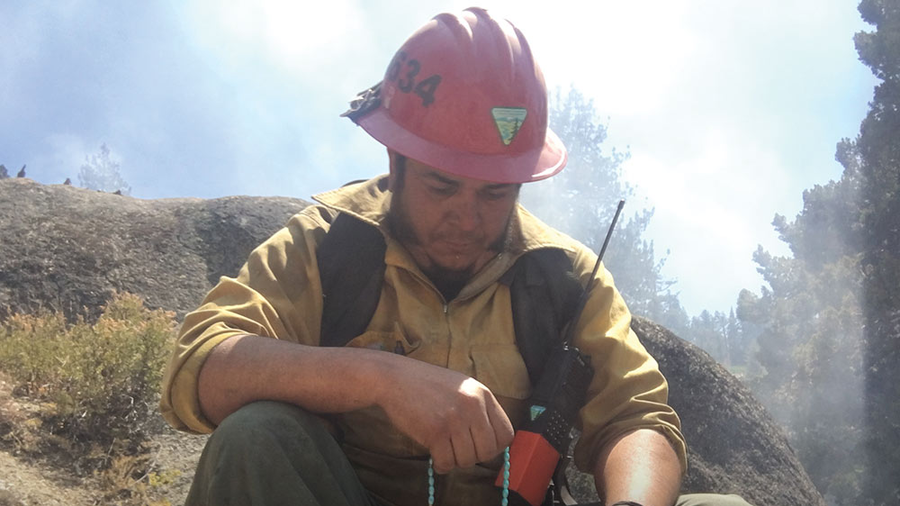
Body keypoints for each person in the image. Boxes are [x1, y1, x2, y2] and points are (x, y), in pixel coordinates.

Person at [160, 7, 751, 506]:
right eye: (443, 187)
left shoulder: (563, 278)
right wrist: (381, 379)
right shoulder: (329, 243)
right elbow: (200, 368)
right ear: (396, 163)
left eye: (495, 192)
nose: (467, 217)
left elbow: (635, 418)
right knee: (254, 437)